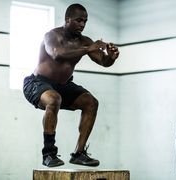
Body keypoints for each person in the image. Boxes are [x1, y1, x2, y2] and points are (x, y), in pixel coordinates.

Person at [23, 3, 119, 167]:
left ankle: (79, 153)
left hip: (63, 85)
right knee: (54, 99)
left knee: (91, 102)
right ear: (67, 20)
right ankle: (48, 154)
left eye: (85, 21)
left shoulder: (84, 41)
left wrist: (111, 57)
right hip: (37, 82)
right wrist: (88, 48)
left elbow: (103, 62)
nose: (82, 24)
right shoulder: (52, 35)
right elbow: (57, 54)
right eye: (78, 20)